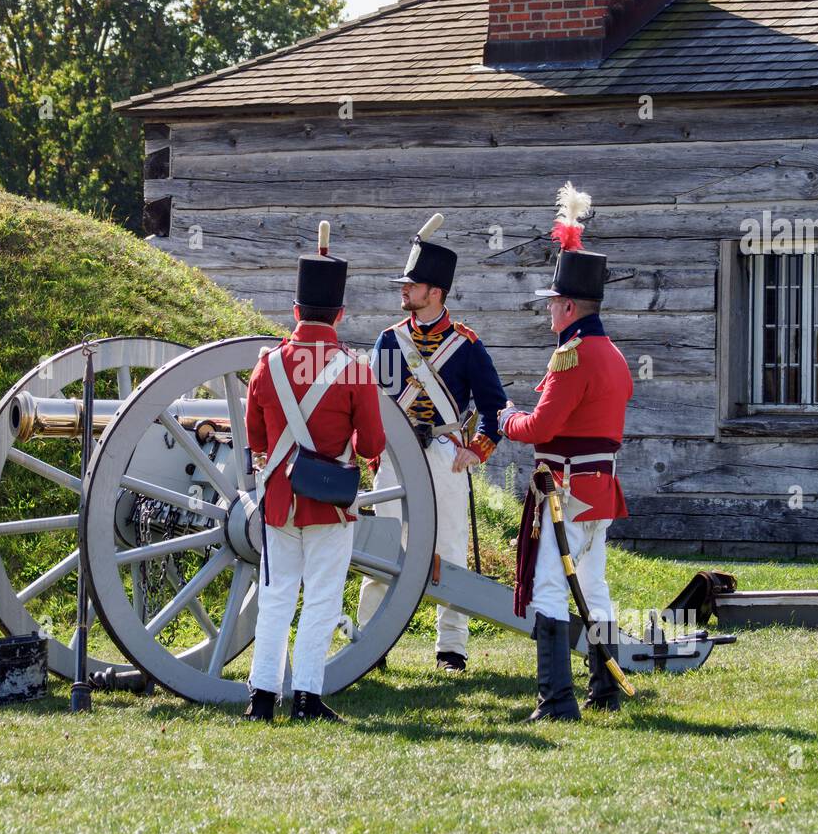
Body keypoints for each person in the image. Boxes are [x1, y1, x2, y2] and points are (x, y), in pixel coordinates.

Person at [243, 235, 386, 722]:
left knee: (276, 594)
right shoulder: (357, 370)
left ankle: (262, 697)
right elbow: (371, 445)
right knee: (322, 598)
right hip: (330, 501)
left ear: (295, 309)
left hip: (281, 498)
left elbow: (256, 438)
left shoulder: (267, 365)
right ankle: (306, 696)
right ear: (340, 315)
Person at [499, 229, 633, 719]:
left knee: (551, 589)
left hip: (566, 490)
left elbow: (541, 427)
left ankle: (556, 700)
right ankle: (605, 690)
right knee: (594, 589)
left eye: (554, 303)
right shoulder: (615, 356)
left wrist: (504, 419)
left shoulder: (570, 356)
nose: (550, 311)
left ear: (570, 307)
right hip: (598, 489)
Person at [359, 230, 507, 673]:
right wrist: (374, 453)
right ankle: (373, 642)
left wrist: (477, 449)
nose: (403, 291)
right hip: (396, 455)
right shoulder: (389, 341)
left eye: (411, 286)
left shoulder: (467, 344)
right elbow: (373, 403)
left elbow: (493, 405)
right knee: (383, 547)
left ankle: (452, 649)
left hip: (444, 453)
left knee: (451, 549)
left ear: (435, 292)